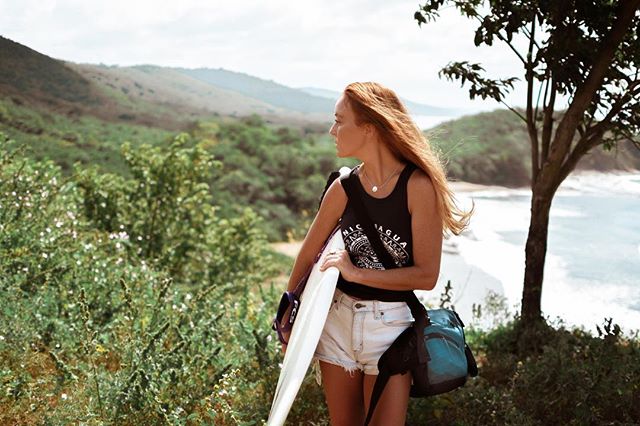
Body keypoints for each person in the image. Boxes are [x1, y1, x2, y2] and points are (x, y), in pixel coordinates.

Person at [281, 82, 474, 425]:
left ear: (369, 128)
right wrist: (288, 317)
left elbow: (426, 275)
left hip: (391, 329)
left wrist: (355, 273)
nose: (332, 130)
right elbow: (307, 257)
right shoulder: (343, 188)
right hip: (337, 322)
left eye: (340, 121)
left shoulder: (417, 187)